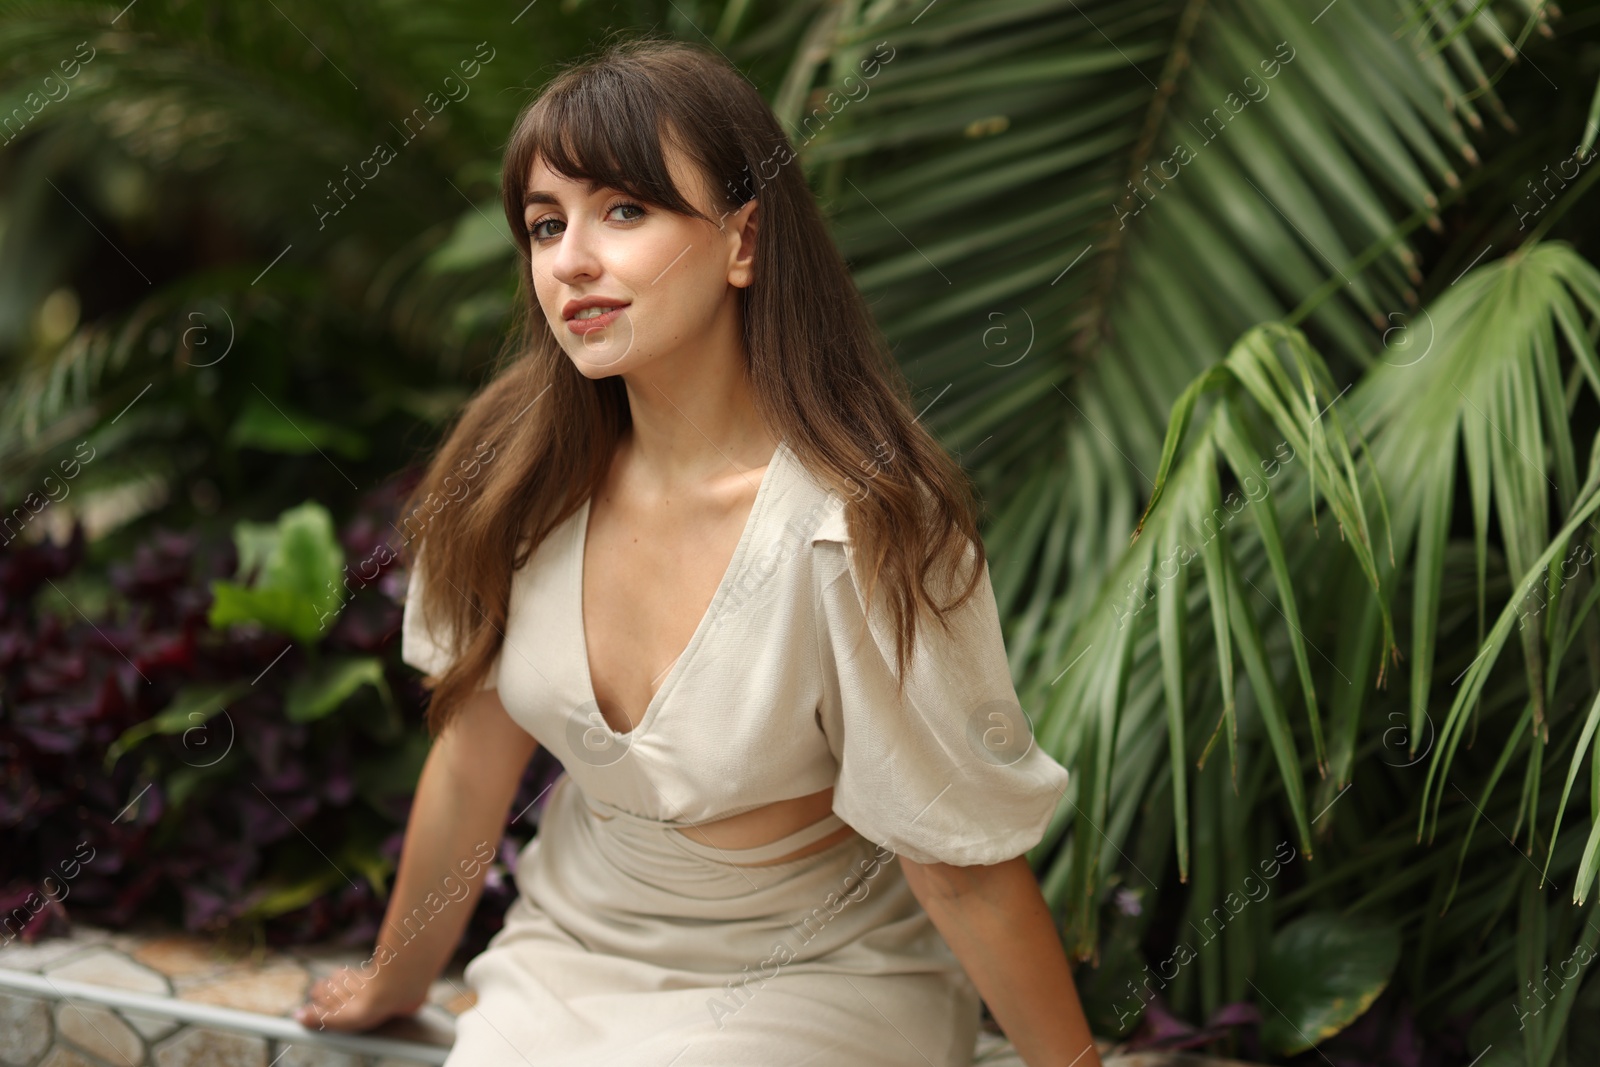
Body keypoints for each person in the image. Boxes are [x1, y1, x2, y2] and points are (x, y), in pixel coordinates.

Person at [294, 34, 1103, 1067]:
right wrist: (394, 978)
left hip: (811, 977)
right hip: (568, 955)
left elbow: (960, 870)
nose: (571, 259)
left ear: (743, 241)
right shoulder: (512, 483)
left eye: (623, 210)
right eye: (546, 225)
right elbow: (472, 757)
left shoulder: (853, 527)